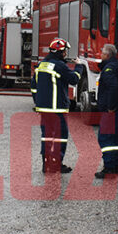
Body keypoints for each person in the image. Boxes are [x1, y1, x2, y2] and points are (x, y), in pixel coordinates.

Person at [31, 38, 83, 174]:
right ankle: (56, 165)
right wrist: (79, 66)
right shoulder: (59, 66)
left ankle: (46, 164)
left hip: (43, 109)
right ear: (60, 52)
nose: (66, 53)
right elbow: (74, 79)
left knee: (47, 136)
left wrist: (38, 103)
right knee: (60, 135)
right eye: (65, 51)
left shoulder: (41, 65)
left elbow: (33, 88)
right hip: (57, 109)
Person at [94, 43, 118, 178]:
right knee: (114, 139)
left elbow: (113, 87)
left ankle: (109, 168)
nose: (100, 55)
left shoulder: (109, 69)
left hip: (111, 111)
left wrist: (110, 107)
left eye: (102, 53)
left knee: (105, 138)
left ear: (107, 55)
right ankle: (116, 167)